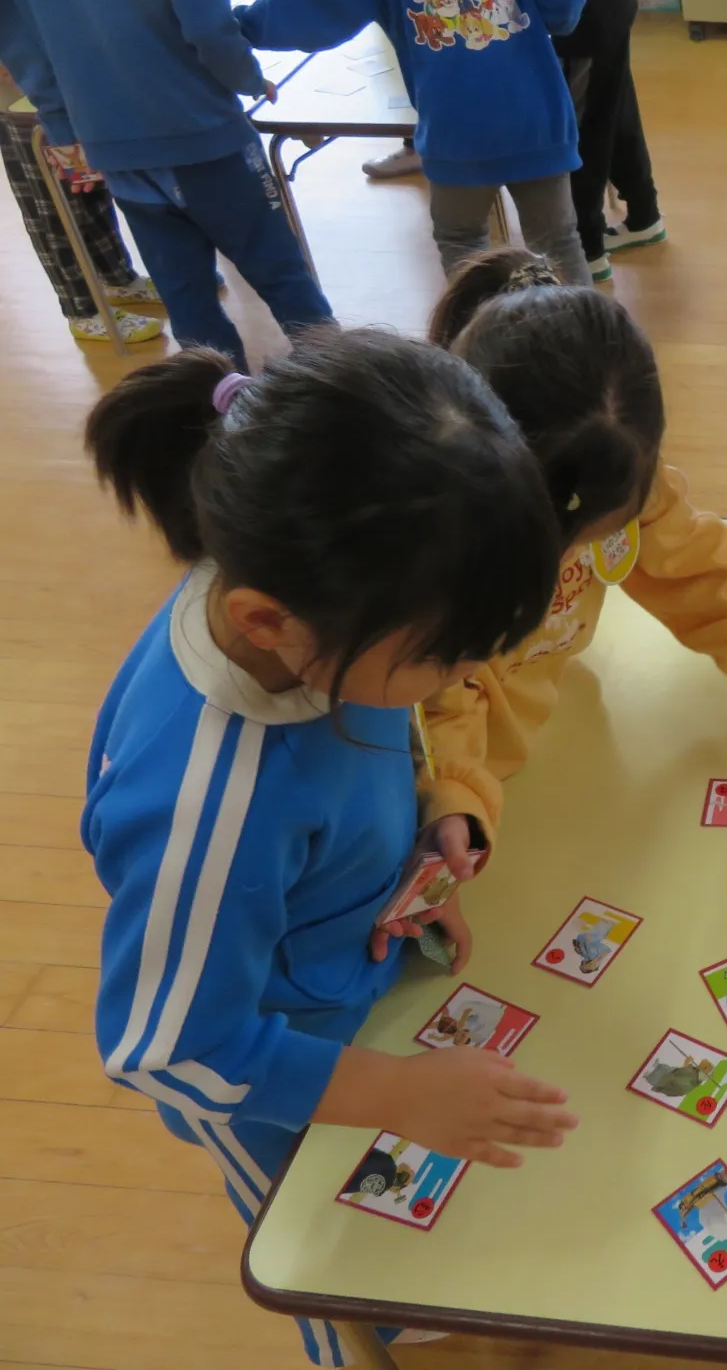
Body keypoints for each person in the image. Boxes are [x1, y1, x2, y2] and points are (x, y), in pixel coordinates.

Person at [82, 330, 578, 1367]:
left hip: (358, 985)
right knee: (325, 1264)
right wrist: (401, 1095)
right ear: (269, 623)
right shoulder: (209, 807)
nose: (462, 684)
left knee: (409, 1243)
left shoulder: (325, 604)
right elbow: (169, 1051)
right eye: (444, 658)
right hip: (270, 1082)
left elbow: (372, 735)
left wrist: (425, 826)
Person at [406, 250, 727, 886]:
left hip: (547, 738)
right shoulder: (438, 547)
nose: (564, 557)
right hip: (438, 776)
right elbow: (432, 696)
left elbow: (694, 565)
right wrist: (453, 789)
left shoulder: (617, 473)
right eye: (556, 540)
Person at [0, 0, 333, 370]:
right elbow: (206, 23)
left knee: (187, 300)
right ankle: (343, 386)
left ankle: (219, 401)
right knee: (283, 277)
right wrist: (246, 76)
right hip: (203, 133)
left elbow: (21, 47)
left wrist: (63, 127)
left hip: (113, 146)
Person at [234, 0, 596, 286]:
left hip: (453, 123)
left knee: (464, 244)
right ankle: (582, 326)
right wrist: (549, 18)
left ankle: (480, 325)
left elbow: (315, 1)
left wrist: (241, 27)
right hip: (535, 114)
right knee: (557, 243)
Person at [0, 62, 164, 344]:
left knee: (91, 193)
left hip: (60, 91)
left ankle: (118, 279)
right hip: (17, 105)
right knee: (53, 211)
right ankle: (82, 311)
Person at [554, 0, 665, 281]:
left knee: (583, 127)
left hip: (584, 14)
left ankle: (587, 250)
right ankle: (644, 216)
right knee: (614, 112)